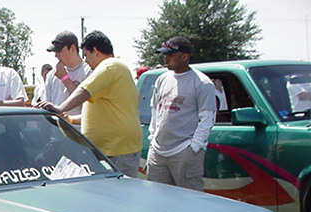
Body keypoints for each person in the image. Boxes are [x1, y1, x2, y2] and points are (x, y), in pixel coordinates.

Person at [36, 31, 142, 178]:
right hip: (107, 150)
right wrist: (71, 119)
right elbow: (100, 112)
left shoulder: (110, 66)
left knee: (119, 191)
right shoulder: (112, 71)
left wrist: (60, 108)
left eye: (86, 55)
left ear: (96, 51)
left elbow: (84, 91)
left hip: (118, 150)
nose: (86, 60)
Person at [147, 36, 216, 191]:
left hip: (184, 151)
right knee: (156, 198)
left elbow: (207, 119)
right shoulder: (162, 79)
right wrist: (153, 138)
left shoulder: (202, 83)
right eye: (164, 54)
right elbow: (155, 110)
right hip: (158, 152)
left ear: (184, 57)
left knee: (189, 200)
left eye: (170, 55)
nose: (166, 58)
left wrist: (194, 147)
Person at [43, 31, 92, 115]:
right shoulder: (51, 75)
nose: (56, 55)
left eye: (59, 51)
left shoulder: (89, 71)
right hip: (56, 123)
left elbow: (89, 106)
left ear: (72, 48)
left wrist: (65, 79)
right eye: (55, 52)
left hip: (78, 123)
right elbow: (47, 106)